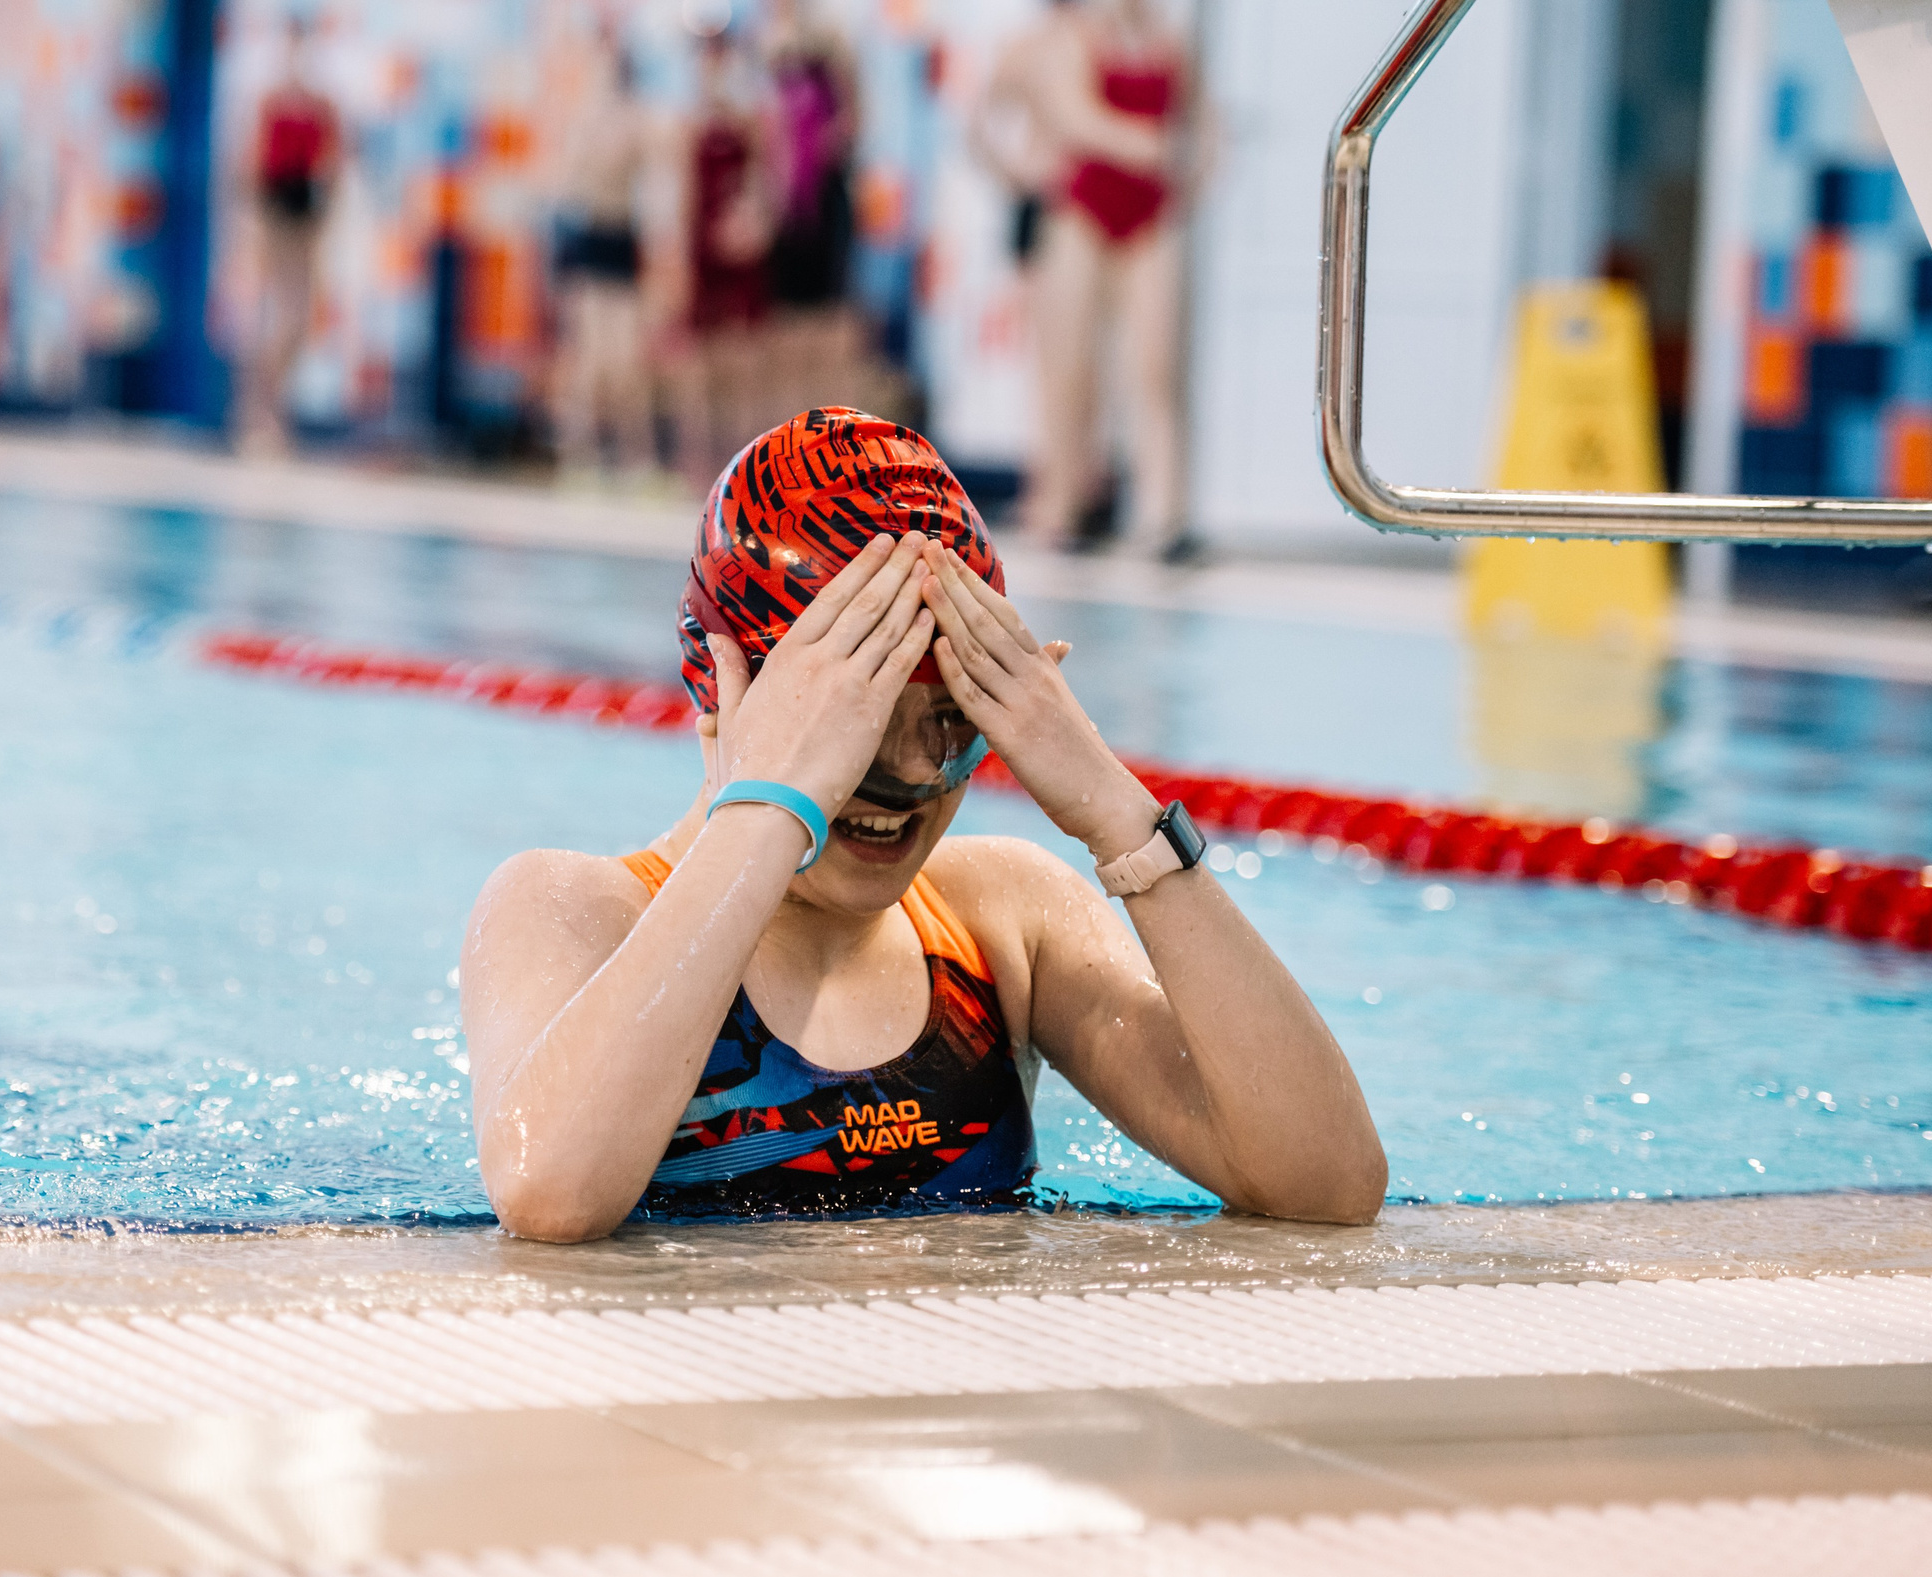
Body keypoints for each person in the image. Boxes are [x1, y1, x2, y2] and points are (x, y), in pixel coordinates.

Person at [461, 408, 1385, 1241]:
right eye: (853, 726)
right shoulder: (575, 908)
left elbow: (1325, 1181)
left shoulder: (1002, 923)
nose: (909, 779)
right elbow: (550, 1194)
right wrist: (769, 802)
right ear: (728, 689)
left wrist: (1113, 809)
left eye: (949, 724)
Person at [977, 0, 1202, 557]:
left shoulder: (1168, 44)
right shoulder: (1052, 42)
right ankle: (1061, 500)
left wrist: (1191, 178)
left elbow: (1198, 123)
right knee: (1065, 370)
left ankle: (1156, 510)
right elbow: (1043, 116)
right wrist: (1019, 173)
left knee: (1151, 364)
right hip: (1077, 208)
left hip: (1144, 212)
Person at [666, 24, 774, 489]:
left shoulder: (748, 118)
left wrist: (752, 218)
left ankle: (744, 464)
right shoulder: (685, 121)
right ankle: (695, 462)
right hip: (699, 245)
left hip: (737, 242)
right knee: (696, 360)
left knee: (742, 358)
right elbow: (675, 190)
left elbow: (765, 178)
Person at [549, 30, 657, 484]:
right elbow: (566, 185)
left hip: (621, 240)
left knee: (628, 363)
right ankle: (580, 456)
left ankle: (637, 460)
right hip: (590, 240)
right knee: (588, 360)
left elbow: (653, 182)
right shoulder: (584, 124)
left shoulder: (638, 121)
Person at [237, 13, 344, 456]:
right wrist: (255, 224)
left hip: (306, 219)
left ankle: (272, 405)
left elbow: (332, 166)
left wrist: (325, 219)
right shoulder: (270, 101)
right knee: (274, 314)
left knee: (299, 319)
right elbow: (251, 166)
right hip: (276, 216)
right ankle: (260, 413)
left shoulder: (323, 104)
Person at [759, 0, 863, 420]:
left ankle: (837, 431)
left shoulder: (832, 44)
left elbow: (851, 123)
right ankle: (792, 431)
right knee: (785, 325)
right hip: (785, 201)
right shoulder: (769, 44)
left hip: (823, 197)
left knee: (830, 320)